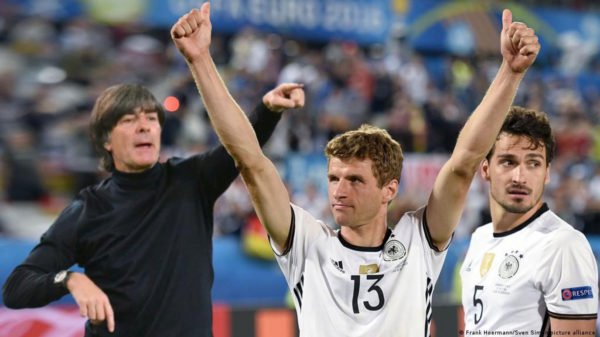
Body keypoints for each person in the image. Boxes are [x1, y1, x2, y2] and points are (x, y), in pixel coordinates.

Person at [171, 4, 539, 336]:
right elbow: (250, 161)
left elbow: (463, 164)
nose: (339, 190)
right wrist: (200, 61)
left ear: (389, 190)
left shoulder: (417, 242)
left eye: (355, 180)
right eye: (333, 178)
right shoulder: (307, 242)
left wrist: (509, 73)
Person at [2, 81, 303, 335]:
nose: (144, 126)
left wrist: (268, 109)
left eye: (151, 118)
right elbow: (16, 288)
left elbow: (240, 148)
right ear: (106, 139)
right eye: (129, 120)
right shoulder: (88, 209)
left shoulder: (192, 180)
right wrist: (70, 279)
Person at [460, 107, 598, 335]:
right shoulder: (480, 238)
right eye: (508, 162)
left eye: (533, 163)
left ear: (547, 173)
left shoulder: (563, 245)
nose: (520, 177)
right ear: (485, 169)